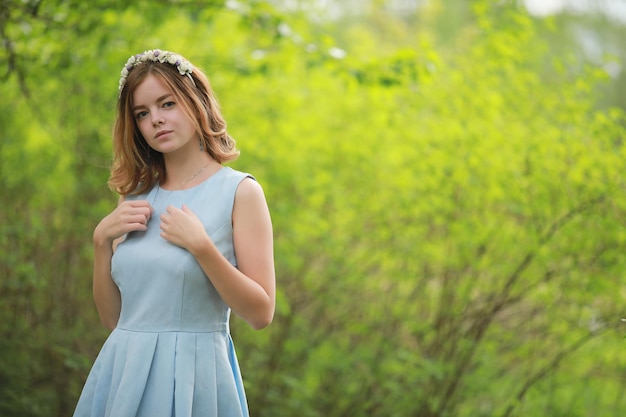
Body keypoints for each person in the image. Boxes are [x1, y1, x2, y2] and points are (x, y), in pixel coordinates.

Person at [73, 49, 275, 417]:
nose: (156, 121)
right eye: (142, 114)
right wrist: (101, 244)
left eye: (167, 104)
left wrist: (203, 249)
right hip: (122, 373)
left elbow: (261, 313)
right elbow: (114, 320)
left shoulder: (240, 192)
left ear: (195, 102)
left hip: (194, 377)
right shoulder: (133, 194)